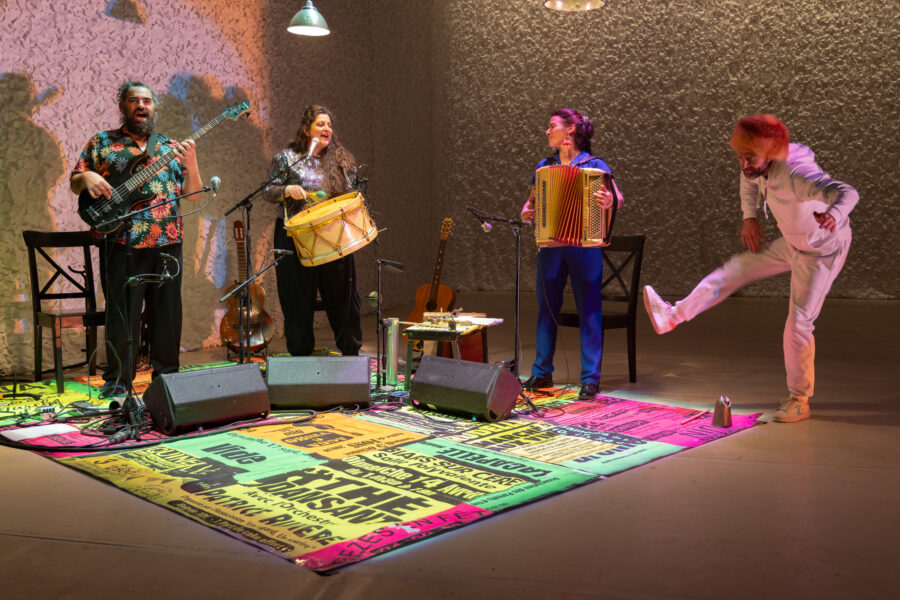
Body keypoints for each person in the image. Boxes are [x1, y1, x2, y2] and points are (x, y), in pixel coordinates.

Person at [643, 114, 858, 423]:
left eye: (750, 158)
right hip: (793, 243)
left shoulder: (797, 173)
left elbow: (847, 192)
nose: (744, 164)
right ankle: (671, 316)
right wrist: (749, 217)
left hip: (822, 251)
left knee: (799, 323)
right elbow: (748, 181)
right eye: (739, 156)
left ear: (771, 153)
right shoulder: (756, 165)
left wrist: (834, 214)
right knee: (735, 270)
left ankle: (799, 399)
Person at [71, 81, 202, 398]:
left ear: (154, 108)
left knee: (167, 314)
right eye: (133, 100)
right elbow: (76, 183)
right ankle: (118, 379)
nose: (141, 105)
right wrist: (86, 176)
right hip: (122, 241)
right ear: (123, 106)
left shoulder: (170, 147)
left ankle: (167, 378)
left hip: (168, 239)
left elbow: (193, 196)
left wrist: (192, 162)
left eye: (147, 101)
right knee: (122, 315)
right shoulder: (102, 142)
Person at [520, 108, 625, 400]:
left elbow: (618, 198)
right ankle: (542, 372)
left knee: (589, 310)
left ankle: (590, 379)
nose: (547, 131)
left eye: (552, 126)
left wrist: (608, 200)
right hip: (551, 244)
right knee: (546, 309)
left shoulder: (594, 164)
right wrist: (527, 211)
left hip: (585, 244)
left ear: (570, 130)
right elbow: (530, 203)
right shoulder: (544, 166)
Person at [264, 105, 362, 356]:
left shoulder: (342, 161)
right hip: (295, 237)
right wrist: (287, 190)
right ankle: (300, 353)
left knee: (342, 296)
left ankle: (350, 352)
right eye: (320, 124)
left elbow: (353, 194)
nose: (327, 128)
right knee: (296, 297)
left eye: (329, 125)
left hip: (332, 234)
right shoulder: (287, 158)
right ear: (306, 130)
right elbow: (268, 190)